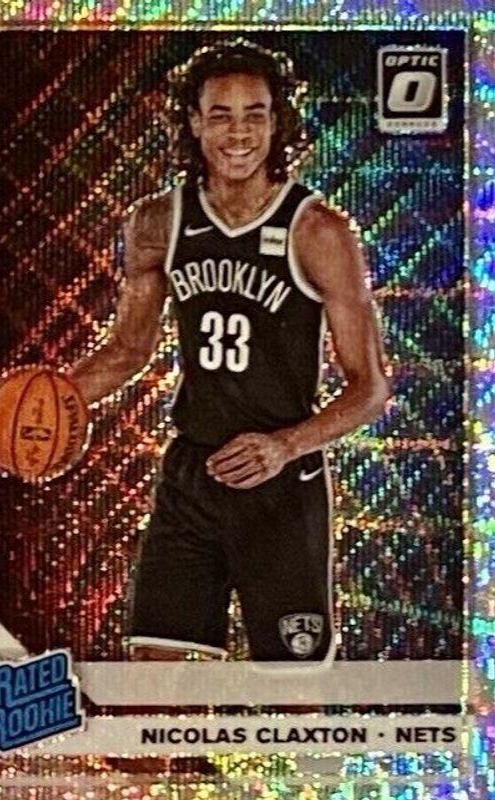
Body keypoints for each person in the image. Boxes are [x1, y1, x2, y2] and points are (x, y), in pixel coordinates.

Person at [70, 40, 389, 663]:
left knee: (292, 692)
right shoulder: (157, 223)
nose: (238, 132)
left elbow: (370, 388)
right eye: (220, 115)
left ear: (276, 122)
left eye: (255, 114)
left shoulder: (317, 230)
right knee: (152, 683)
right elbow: (127, 350)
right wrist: (42, 404)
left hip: (282, 485)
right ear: (194, 122)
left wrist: (285, 445)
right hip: (192, 478)